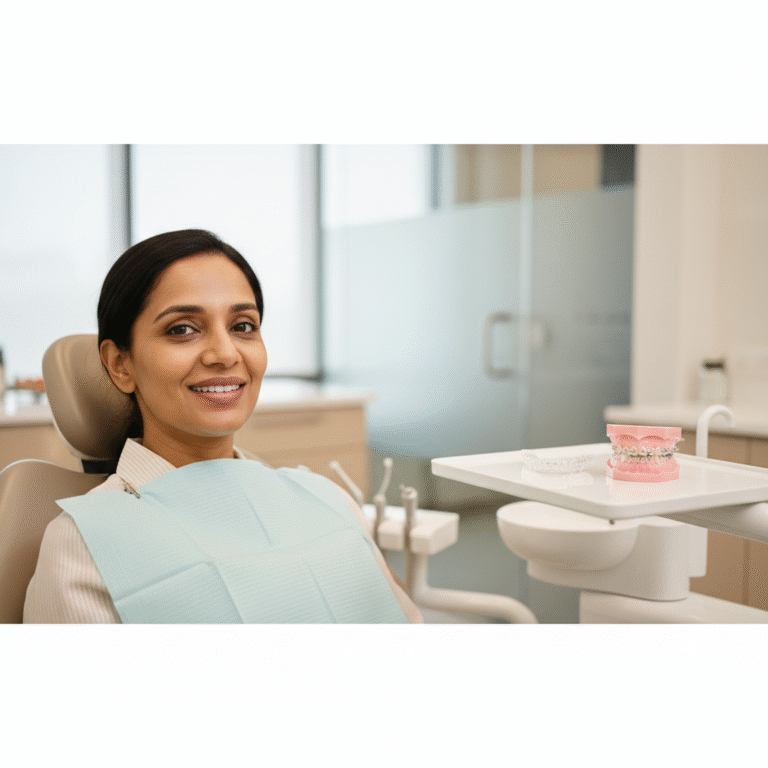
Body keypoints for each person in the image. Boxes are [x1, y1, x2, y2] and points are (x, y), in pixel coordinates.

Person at [23, 229, 422, 623]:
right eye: (182, 329)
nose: (225, 354)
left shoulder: (326, 498)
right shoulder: (83, 547)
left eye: (243, 326)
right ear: (119, 365)